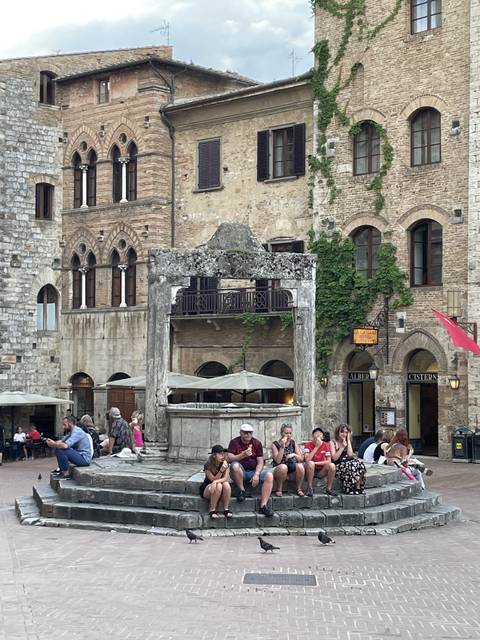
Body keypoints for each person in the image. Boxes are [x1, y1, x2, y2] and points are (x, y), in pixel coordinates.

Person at [227, 423, 274, 517]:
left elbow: (260, 461)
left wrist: (257, 474)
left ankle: (263, 505)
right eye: (245, 433)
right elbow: (229, 458)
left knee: (269, 475)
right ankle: (242, 490)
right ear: (240, 433)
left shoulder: (257, 443)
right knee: (234, 466)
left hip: (253, 471)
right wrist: (243, 455)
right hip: (241, 471)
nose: (248, 435)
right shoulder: (234, 442)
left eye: (250, 433)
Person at [330, 424, 367, 495]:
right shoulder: (333, 442)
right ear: (338, 432)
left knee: (359, 464)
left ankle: (358, 487)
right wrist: (342, 448)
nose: (344, 434)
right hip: (338, 466)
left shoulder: (347, 441)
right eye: (342, 432)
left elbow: (350, 455)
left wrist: (348, 440)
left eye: (346, 432)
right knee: (352, 465)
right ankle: (350, 488)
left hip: (348, 464)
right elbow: (334, 458)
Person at [271, 423, 306, 497]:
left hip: (291, 468)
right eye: (286, 433)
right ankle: (279, 489)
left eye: (290, 433)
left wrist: (294, 455)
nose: (288, 435)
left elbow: (301, 459)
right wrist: (282, 447)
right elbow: (277, 461)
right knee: (283, 467)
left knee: (300, 466)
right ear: (281, 433)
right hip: (279, 469)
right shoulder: (275, 444)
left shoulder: (293, 443)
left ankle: (299, 489)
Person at [199, 445, 233, 519]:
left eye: (224, 454)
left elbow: (225, 478)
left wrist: (216, 482)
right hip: (208, 489)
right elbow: (212, 479)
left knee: (226, 484)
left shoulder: (225, 463)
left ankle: (226, 509)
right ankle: (212, 510)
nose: (223, 456)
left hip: (217, 486)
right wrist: (221, 471)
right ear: (214, 455)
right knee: (219, 485)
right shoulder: (208, 465)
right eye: (220, 454)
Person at [303, 426, 337, 496]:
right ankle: (309, 488)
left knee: (332, 465)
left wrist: (315, 463)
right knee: (310, 463)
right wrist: (317, 447)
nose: (318, 435)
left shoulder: (326, 445)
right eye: (316, 433)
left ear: (322, 436)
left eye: (320, 434)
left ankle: (329, 489)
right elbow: (307, 460)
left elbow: (328, 461)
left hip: (321, 470)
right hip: (309, 469)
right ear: (312, 436)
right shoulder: (308, 444)